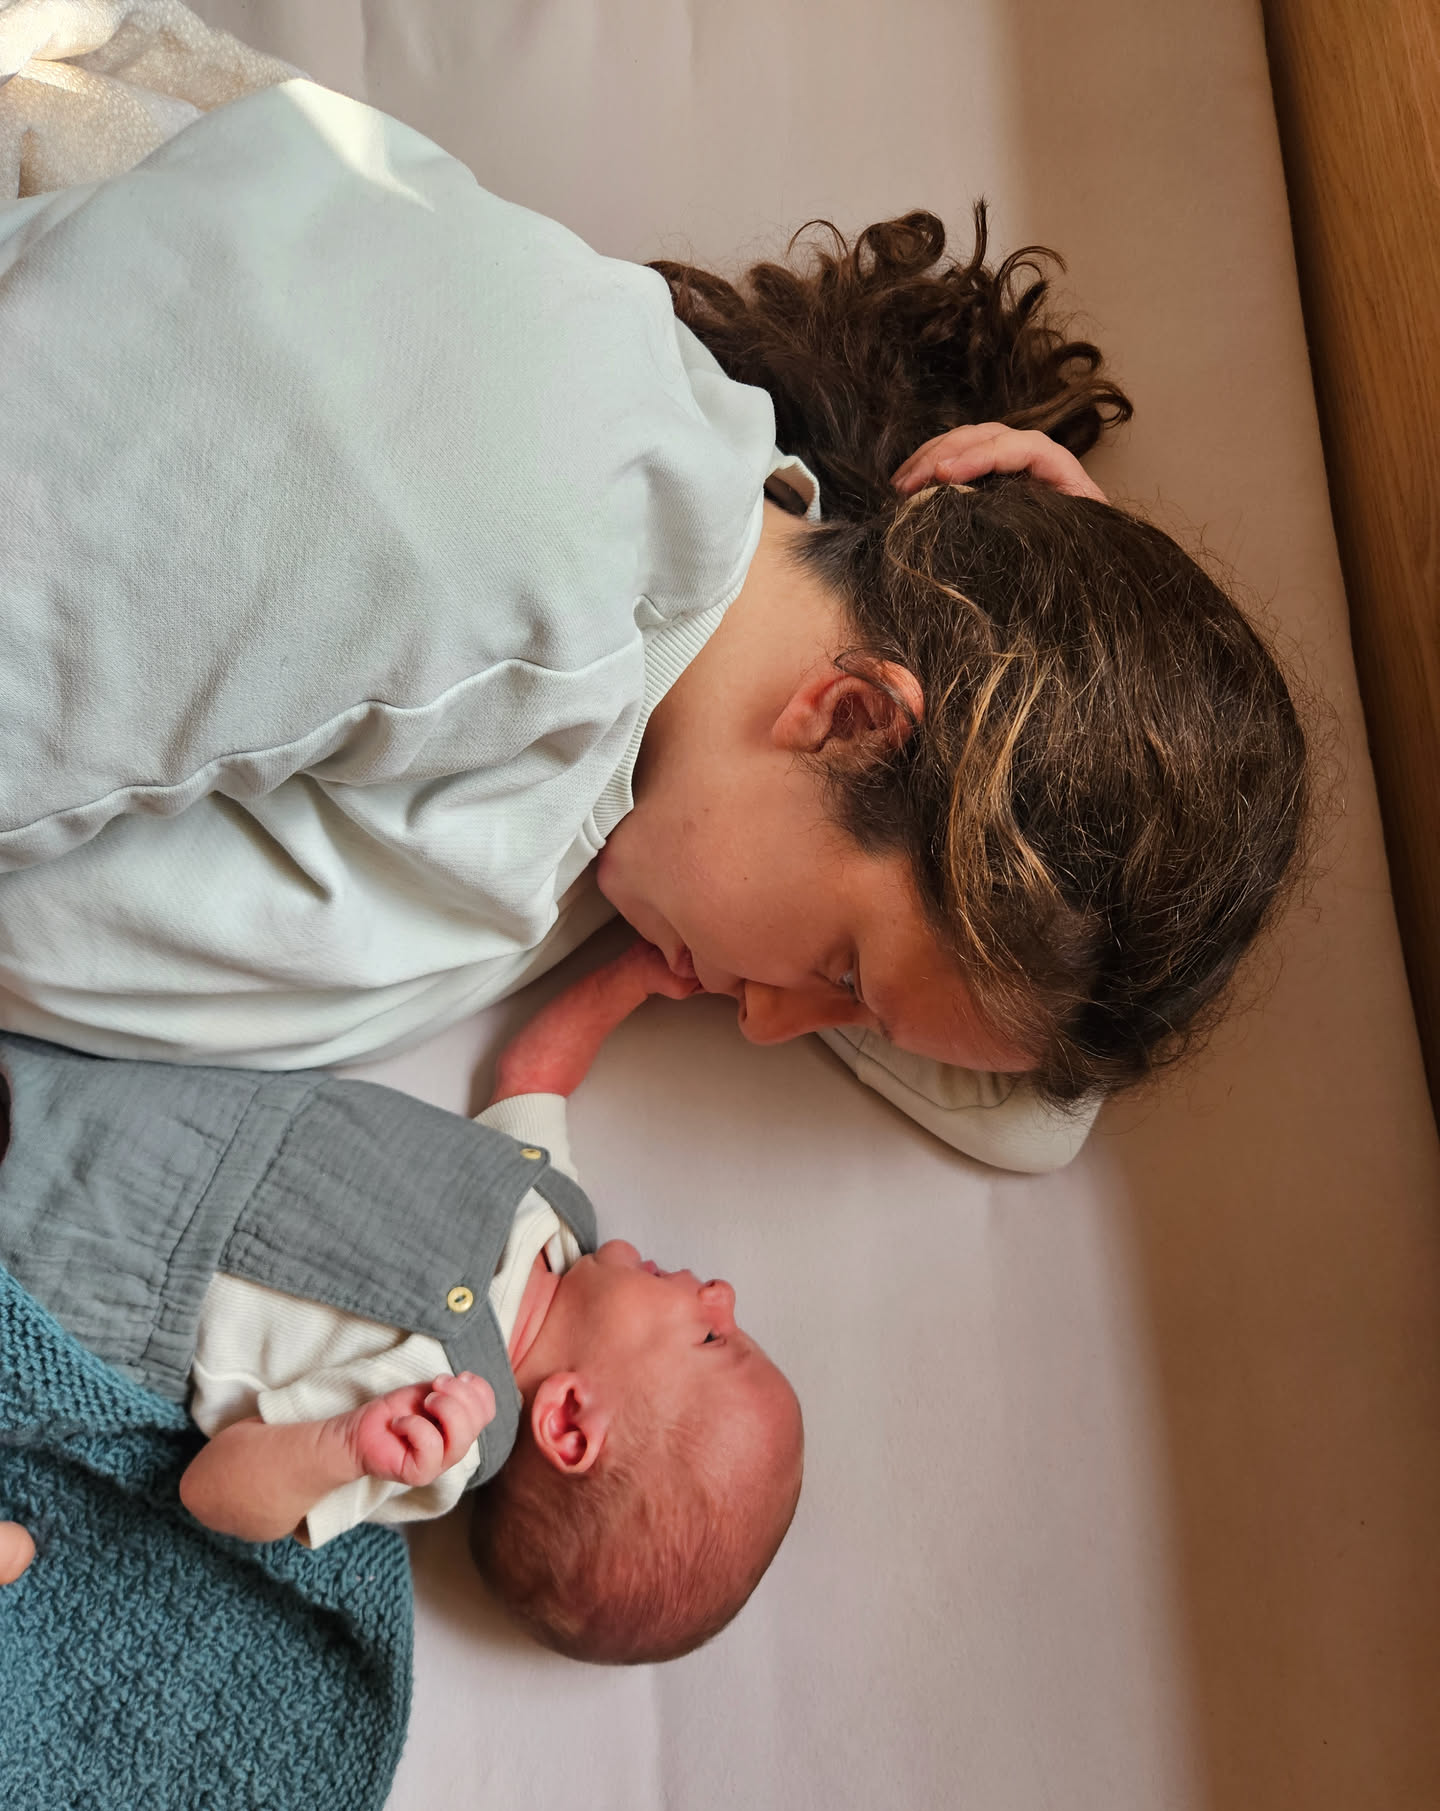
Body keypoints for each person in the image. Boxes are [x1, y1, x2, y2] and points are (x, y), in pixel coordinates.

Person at [0, 60, 1309, 1169]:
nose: (762, 1024)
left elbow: (1032, 1123)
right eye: (840, 977)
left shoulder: (676, 765)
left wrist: (1081, 587)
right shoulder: (492, 523)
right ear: (851, 716)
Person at [0, 939, 804, 1664]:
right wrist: (634, 977)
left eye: (711, 1338)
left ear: (567, 1421)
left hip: (120, 1270)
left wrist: (346, 1445)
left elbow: (213, 1491)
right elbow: (536, 1074)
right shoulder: (559, 1218)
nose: (723, 1295)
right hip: (185, 1114)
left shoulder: (441, 1431)